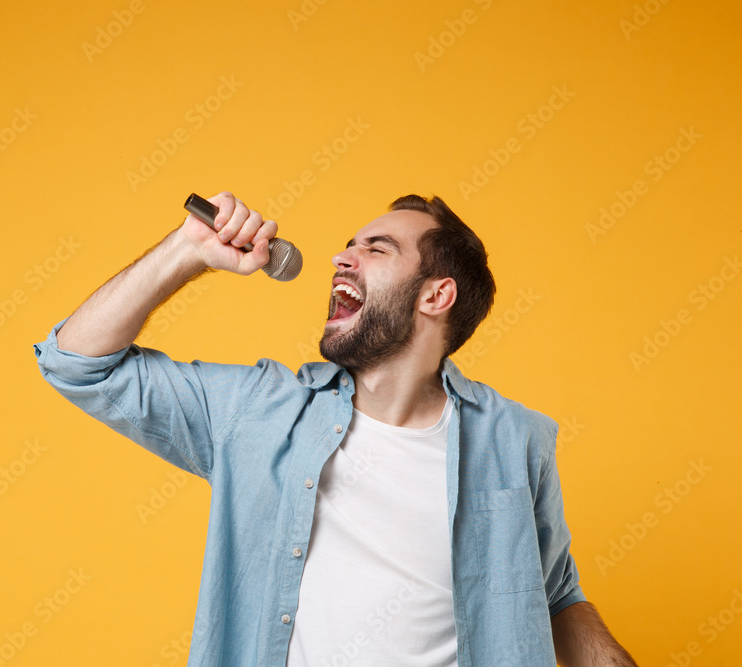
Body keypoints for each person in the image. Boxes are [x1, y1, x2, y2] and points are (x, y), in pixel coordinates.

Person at [32, 191, 637, 666]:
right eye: (350, 245)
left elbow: (556, 595)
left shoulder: (515, 438)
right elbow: (77, 363)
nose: (340, 258)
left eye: (376, 249)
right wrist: (187, 249)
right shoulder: (260, 410)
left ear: (437, 295)